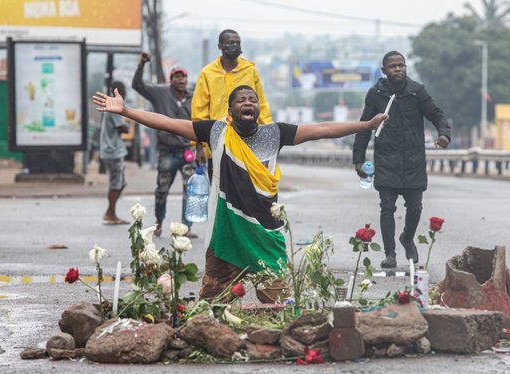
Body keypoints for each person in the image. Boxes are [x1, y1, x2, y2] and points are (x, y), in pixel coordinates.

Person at [93, 85, 388, 303]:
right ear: (231, 110)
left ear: (258, 108)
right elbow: (170, 124)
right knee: (211, 306)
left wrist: (366, 125)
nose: (248, 102)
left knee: (279, 305)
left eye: (253, 99)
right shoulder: (217, 131)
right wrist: (127, 111)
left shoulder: (276, 133)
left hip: (265, 233)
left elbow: (322, 128)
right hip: (226, 233)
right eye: (241, 100)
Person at [353, 51, 451, 269]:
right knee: (387, 207)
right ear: (384, 71)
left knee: (415, 207)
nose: (398, 69)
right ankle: (390, 254)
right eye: (393, 66)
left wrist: (444, 133)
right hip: (386, 158)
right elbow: (364, 127)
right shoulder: (375, 94)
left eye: (401, 65)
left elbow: (436, 114)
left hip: (413, 159)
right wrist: (358, 158)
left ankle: (407, 238)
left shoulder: (417, 92)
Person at [132, 53, 197, 238]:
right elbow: (138, 86)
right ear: (171, 80)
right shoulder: (160, 93)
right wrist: (142, 65)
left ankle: (186, 227)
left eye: (183, 76)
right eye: (177, 76)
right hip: (167, 152)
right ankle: (159, 222)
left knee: (189, 190)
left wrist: (200, 148)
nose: (181, 80)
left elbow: (201, 121)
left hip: (188, 152)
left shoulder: (195, 97)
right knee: (162, 190)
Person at [192, 29, 272, 178]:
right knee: (219, 191)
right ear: (220, 46)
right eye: (230, 43)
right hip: (217, 144)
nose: (235, 46)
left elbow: (261, 105)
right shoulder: (207, 74)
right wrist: (199, 147)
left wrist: (268, 137)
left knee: (246, 189)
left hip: (248, 142)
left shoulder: (250, 70)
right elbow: (199, 112)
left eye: (238, 43)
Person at [99, 81, 130, 225]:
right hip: (113, 151)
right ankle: (110, 213)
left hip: (114, 150)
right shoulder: (114, 108)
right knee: (116, 183)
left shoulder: (112, 106)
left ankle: (111, 212)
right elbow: (124, 128)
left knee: (121, 183)